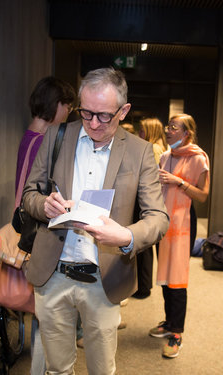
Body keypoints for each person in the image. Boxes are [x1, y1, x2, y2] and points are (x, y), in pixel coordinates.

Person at [22, 67, 169, 374]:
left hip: (104, 279)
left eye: (104, 115)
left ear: (123, 110)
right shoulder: (56, 136)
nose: (93, 123)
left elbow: (158, 217)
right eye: (86, 113)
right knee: (57, 368)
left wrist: (126, 236)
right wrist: (44, 205)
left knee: (102, 369)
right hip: (52, 273)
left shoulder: (140, 152)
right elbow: (29, 195)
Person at [15, 76, 76, 375]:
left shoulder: (30, 134)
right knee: (46, 314)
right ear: (56, 105)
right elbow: (29, 191)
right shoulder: (45, 140)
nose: (69, 113)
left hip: (29, 221)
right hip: (39, 227)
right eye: (67, 106)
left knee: (44, 313)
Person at [150, 114, 210, 358]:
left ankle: (177, 332)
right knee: (164, 272)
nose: (168, 130)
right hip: (163, 221)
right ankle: (169, 321)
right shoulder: (165, 156)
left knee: (177, 276)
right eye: (168, 126)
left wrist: (179, 182)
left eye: (173, 127)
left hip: (183, 223)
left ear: (187, 133)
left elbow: (203, 195)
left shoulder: (199, 158)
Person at [133, 117, 168, 299]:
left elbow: (151, 179)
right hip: (152, 202)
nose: (139, 133)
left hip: (146, 202)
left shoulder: (153, 148)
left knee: (144, 247)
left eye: (142, 130)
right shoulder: (159, 147)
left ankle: (143, 287)